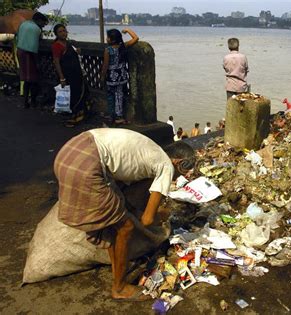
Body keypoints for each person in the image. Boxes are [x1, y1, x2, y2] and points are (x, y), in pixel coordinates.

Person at [54, 128, 195, 301]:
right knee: (126, 227)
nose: (180, 177)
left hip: (69, 152)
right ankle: (119, 288)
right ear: (178, 162)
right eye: (183, 170)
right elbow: (147, 219)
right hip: (87, 166)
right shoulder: (166, 165)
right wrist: (162, 215)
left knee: (115, 221)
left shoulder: (151, 151)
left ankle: (117, 270)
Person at [51, 24, 87, 127]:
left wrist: (78, 52)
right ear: (56, 34)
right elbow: (56, 62)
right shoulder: (56, 46)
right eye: (60, 32)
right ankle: (70, 118)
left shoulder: (69, 44)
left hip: (76, 73)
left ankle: (77, 115)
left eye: (64, 31)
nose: (63, 33)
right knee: (69, 96)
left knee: (77, 93)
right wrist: (62, 77)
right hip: (66, 73)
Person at [100, 28, 139, 125]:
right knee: (119, 95)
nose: (106, 39)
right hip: (121, 76)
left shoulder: (108, 50)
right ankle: (119, 116)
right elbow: (136, 38)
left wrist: (102, 76)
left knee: (110, 96)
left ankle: (111, 115)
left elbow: (105, 65)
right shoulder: (123, 46)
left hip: (111, 76)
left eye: (108, 37)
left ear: (112, 40)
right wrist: (128, 30)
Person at [16, 12, 48, 108]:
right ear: (39, 20)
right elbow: (33, 47)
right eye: (43, 23)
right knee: (33, 80)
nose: (43, 25)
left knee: (26, 79)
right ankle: (33, 101)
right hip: (29, 55)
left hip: (20, 52)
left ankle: (25, 101)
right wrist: (37, 63)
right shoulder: (35, 29)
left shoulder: (24, 24)